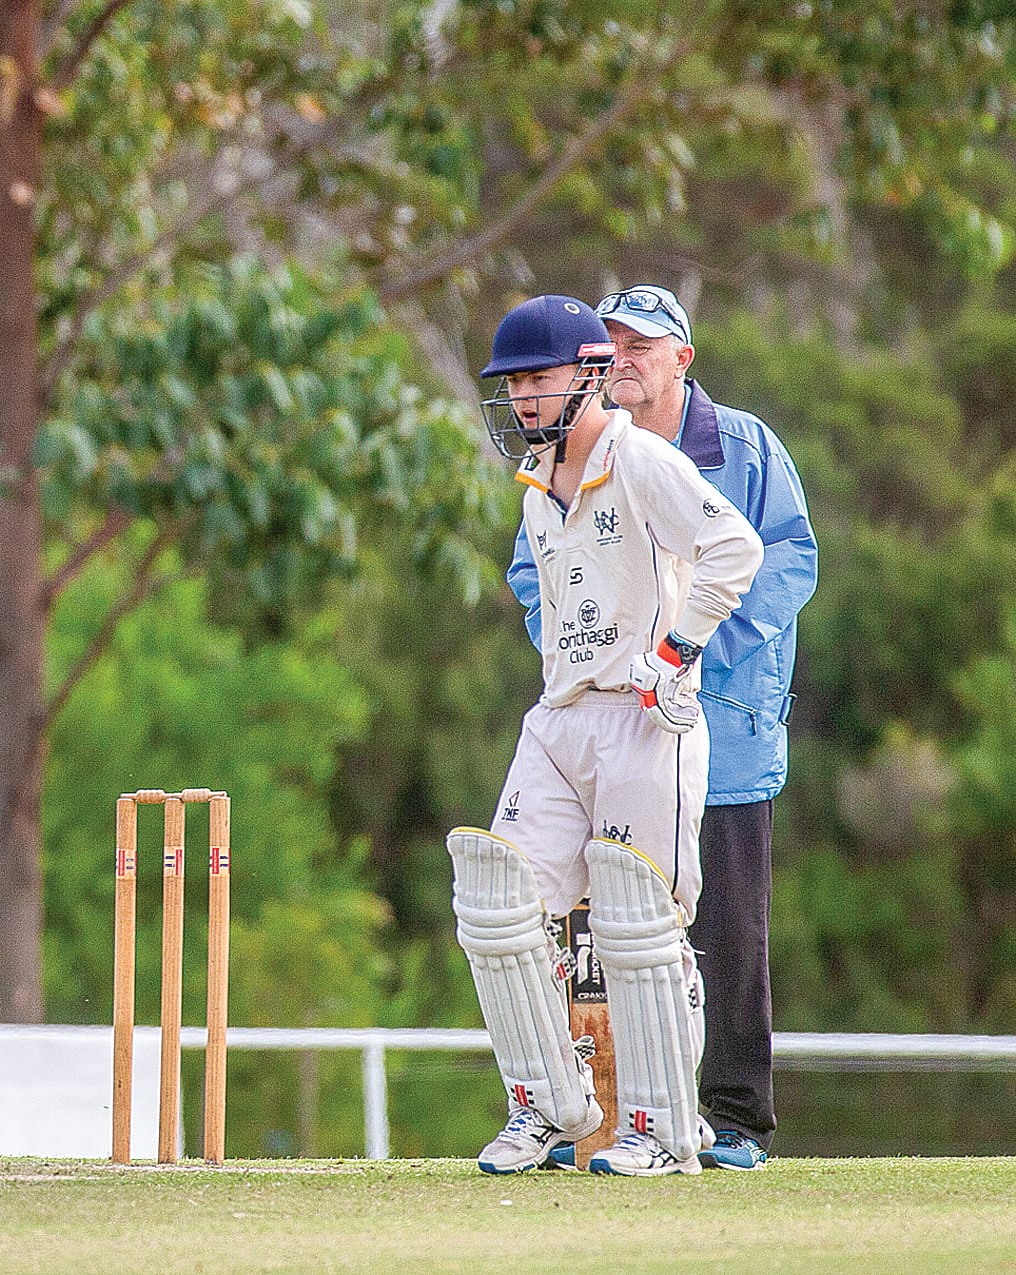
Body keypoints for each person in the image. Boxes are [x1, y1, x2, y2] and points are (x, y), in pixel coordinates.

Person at [448, 295, 763, 1176]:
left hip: (641, 714)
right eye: (512, 384)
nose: (522, 400)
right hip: (558, 716)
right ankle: (548, 1104)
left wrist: (675, 652)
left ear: (588, 376)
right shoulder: (536, 487)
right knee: (494, 900)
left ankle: (664, 1129)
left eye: (538, 380)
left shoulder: (640, 460)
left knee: (635, 918)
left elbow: (733, 548)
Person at [509, 285, 817, 1170]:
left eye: (642, 344)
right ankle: (610, 1113)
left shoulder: (745, 445)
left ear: (682, 358)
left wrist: (689, 645)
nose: (623, 358)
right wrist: (580, 652)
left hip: (725, 717)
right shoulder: (577, 443)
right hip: (615, 720)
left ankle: (733, 1118)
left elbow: (787, 558)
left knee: (724, 923)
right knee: (613, 918)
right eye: (609, 345)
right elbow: (532, 572)